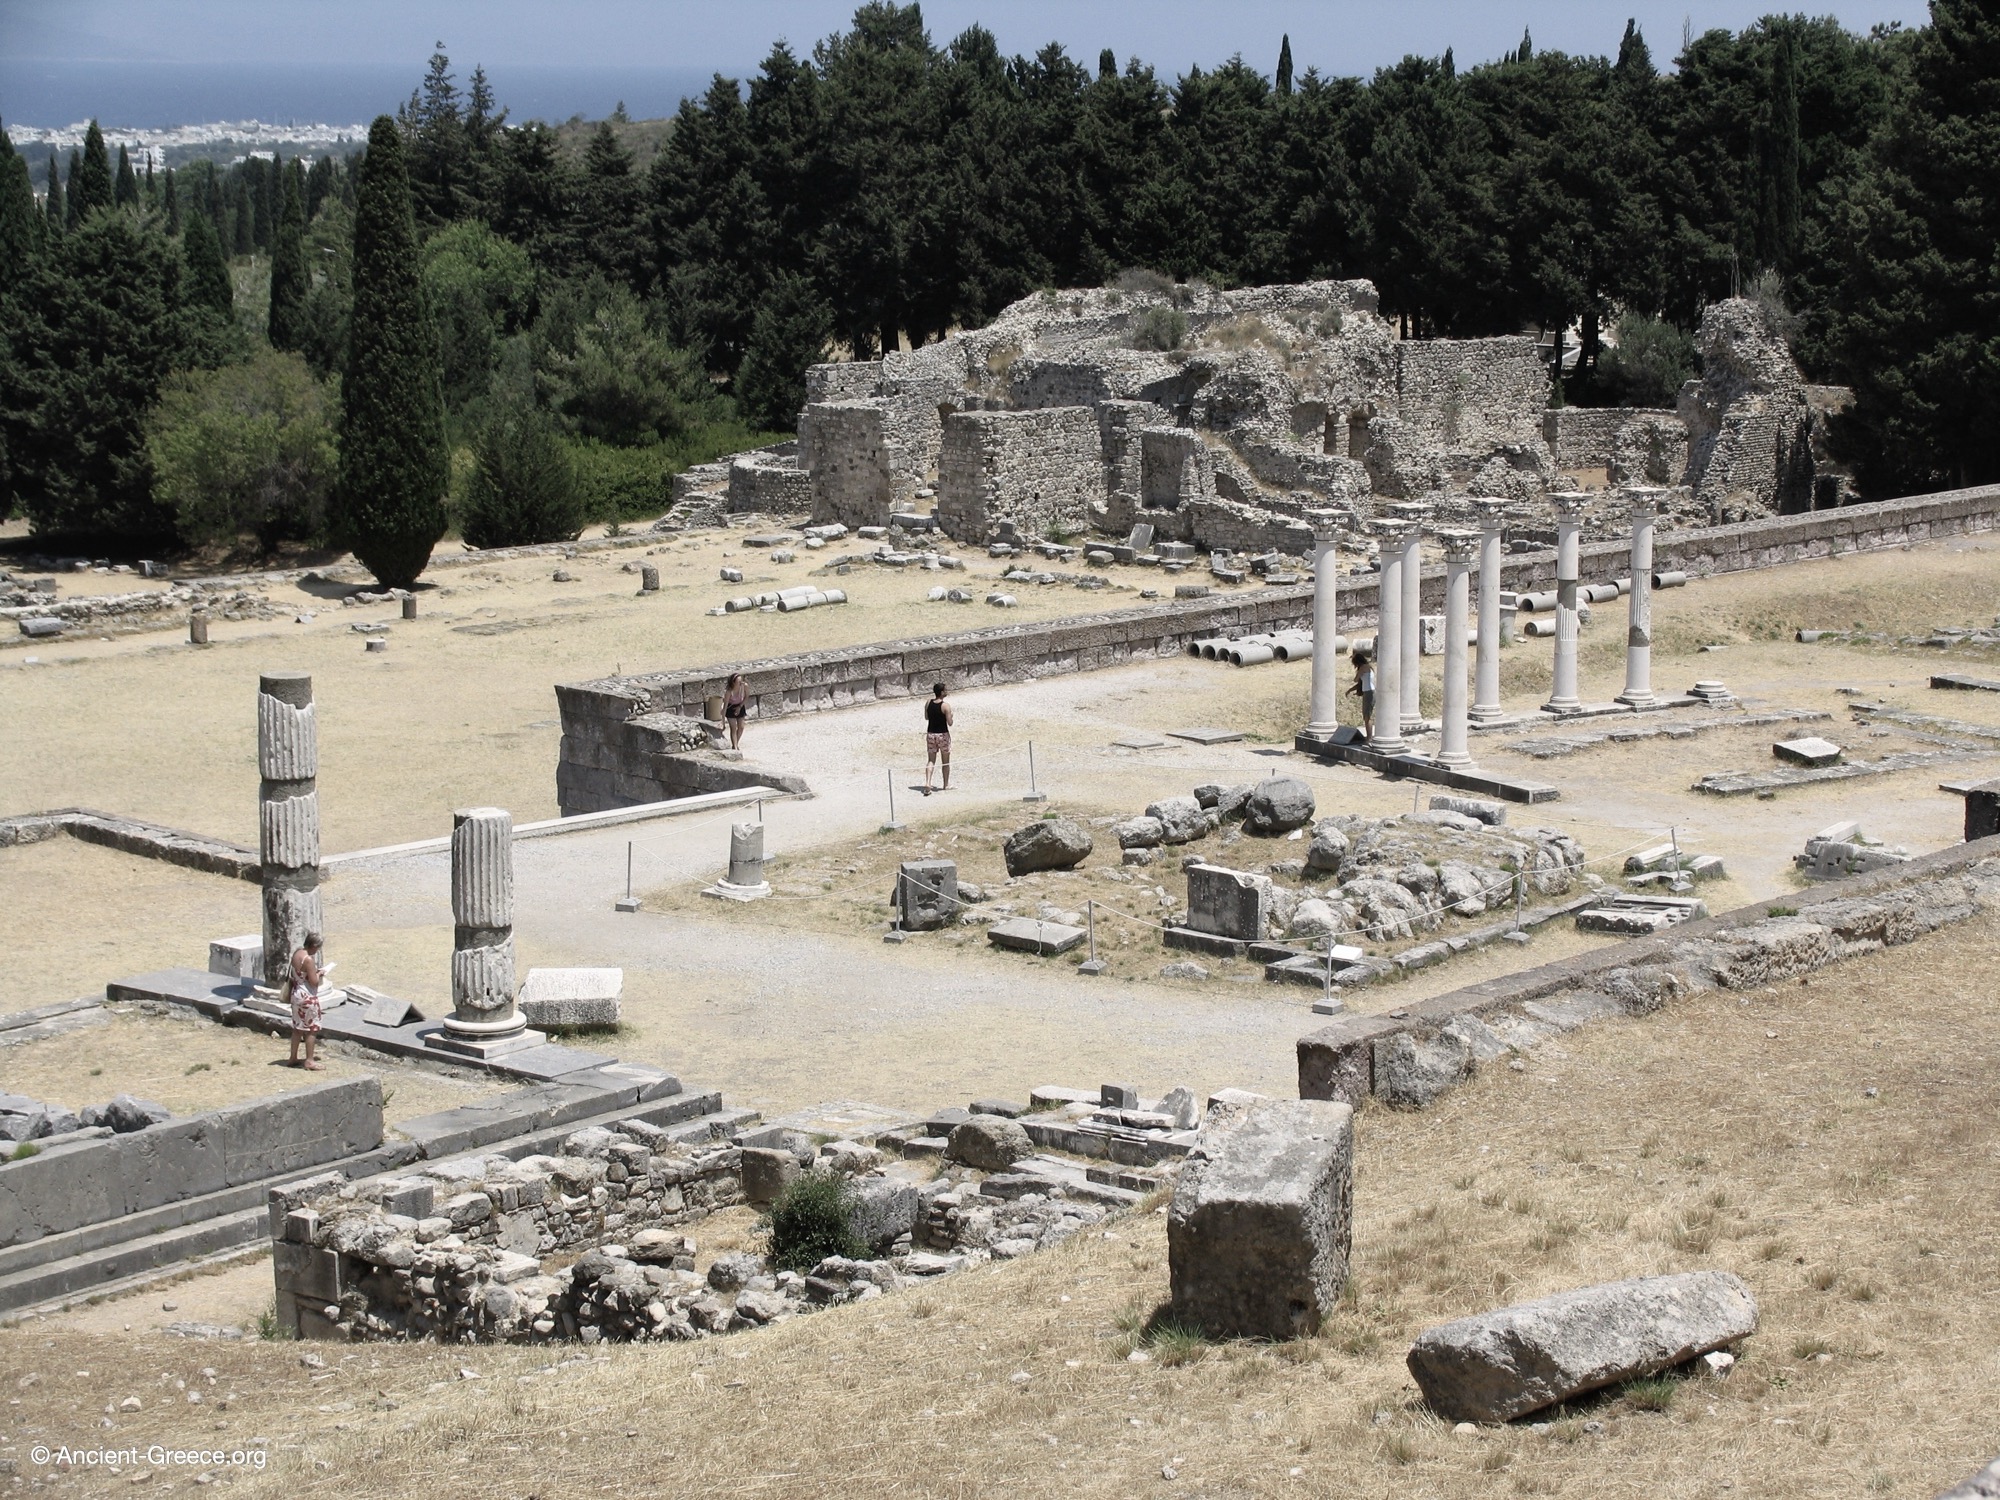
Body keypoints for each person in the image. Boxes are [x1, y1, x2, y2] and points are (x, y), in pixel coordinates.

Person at [286, 933, 329, 1070]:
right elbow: (314, 982)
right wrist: (319, 973)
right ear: (314, 946)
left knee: (297, 1028)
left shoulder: (297, 953)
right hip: (307, 996)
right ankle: (309, 1060)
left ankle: (293, 1057)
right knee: (311, 1029)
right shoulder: (308, 960)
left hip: (296, 993)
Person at [923, 681, 954, 793]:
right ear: (941, 692)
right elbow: (950, 723)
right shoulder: (945, 706)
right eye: (945, 690)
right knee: (945, 761)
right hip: (943, 734)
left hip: (931, 734)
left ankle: (928, 782)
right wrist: (951, 716)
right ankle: (946, 784)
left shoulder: (928, 703)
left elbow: (926, 717)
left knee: (931, 760)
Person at [1347, 647, 1376, 739]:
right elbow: (1361, 683)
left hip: (1369, 692)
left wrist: (1358, 672)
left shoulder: (1363, 668)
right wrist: (1350, 690)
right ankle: (1368, 736)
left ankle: (1369, 737)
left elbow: (1356, 679)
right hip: (1368, 691)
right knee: (1366, 716)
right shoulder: (1368, 667)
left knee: (1367, 716)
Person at [723, 672, 749, 749]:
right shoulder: (729, 691)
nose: (741, 683)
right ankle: (735, 746)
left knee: (741, 727)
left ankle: (735, 744)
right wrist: (723, 721)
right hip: (730, 708)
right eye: (738, 682)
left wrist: (740, 707)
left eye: (741, 681)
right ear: (733, 682)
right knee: (733, 728)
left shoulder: (744, 686)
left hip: (740, 705)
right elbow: (725, 706)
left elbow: (746, 697)